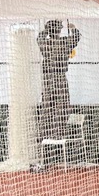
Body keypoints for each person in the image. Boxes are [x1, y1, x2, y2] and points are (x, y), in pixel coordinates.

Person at [36, 19, 80, 153]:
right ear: (60, 30)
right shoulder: (64, 42)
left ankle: (44, 136)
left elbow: (39, 38)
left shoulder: (46, 43)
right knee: (62, 106)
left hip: (48, 78)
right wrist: (73, 28)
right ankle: (59, 135)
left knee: (47, 107)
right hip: (60, 77)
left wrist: (46, 30)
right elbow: (76, 38)